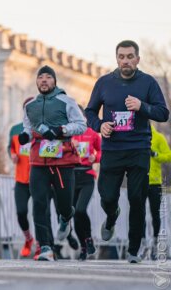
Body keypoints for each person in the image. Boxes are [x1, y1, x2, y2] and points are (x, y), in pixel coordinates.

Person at [85, 40, 169, 263]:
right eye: (121, 56)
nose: (125, 61)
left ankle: (134, 249)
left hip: (138, 148)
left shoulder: (148, 83)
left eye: (130, 56)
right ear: (116, 59)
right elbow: (90, 111)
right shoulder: (104, 83)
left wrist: (143, 106)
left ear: (137, 59)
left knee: (137, 198)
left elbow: (163, 113)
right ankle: (111, 217)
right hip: (112, 149)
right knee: (107, 196)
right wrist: (99, 125)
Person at [19, 65, 86, 261]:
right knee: (39, 204)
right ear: (37, 82)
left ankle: (66, 218)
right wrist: (25, 136)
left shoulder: (66, 101)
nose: (44, 80)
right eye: (41, 77)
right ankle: (45, 247)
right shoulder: (29, 105)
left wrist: (60, 130)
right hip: (38, 161)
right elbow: (27, 127)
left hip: (62, 160)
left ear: (54, 81)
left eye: (48, 77)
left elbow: (81, 125)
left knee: (65, 204)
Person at [9, 97, 39, 258]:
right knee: (21, 212)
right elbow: (11, 148)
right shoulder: (15, 130)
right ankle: (28, 239)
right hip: (21, 178)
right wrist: (13, 155)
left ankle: (42, 245)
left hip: (38, 177)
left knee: (39, 213)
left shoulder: (41, 128)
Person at [71, 107, 102, 261]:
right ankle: (83, 246)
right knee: (75, 214)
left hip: (87, 175)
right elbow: (57, 151)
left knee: (80, 209)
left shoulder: (92, 133)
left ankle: (88, 239)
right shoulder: (69, 134)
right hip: (71, 175)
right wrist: (69, 147)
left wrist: (95, 158)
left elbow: (102, 151)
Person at [147, 125, 171, 260]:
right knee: (137, 213)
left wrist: (156, 154)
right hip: (139, 181)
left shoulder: (158, 137)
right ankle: (141, 243)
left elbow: (169, 155)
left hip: (155, 182)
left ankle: (155, 243)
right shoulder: (135, 137)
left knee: (155, 214)